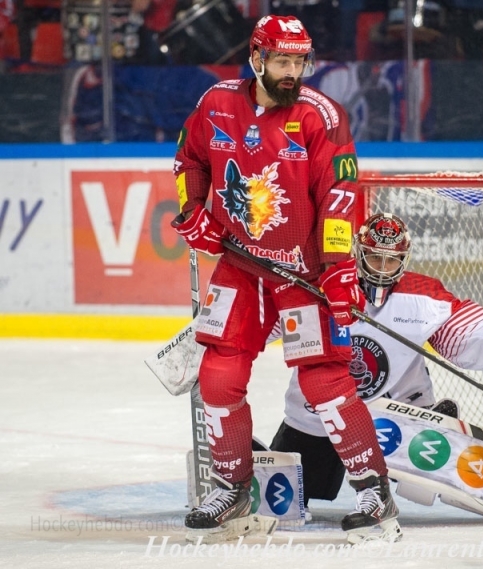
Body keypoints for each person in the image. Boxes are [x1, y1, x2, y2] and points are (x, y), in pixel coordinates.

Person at [170, 15, 400, 544]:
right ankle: (231, 487)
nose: (292, 71)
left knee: (324, 379)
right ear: (256, 58)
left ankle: (373, 491)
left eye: (299, 61)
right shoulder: (216, 103)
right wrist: (193, 211)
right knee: (218, 375)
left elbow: (340, 199)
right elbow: (189, 160)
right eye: (282, 61)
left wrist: (340, 269)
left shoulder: (322, 116)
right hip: (242, 264)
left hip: (304, 270)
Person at [267, 212, 483, 521]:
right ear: (358, 254)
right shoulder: (318, 287)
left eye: (391, 259)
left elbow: (467, 334)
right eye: (374, 258)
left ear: (403, 260)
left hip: (396, 415)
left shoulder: (423, 296)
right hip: (316, 419)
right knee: (280, 504)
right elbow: (262, 324)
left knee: (439, 463)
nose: (382, 268)